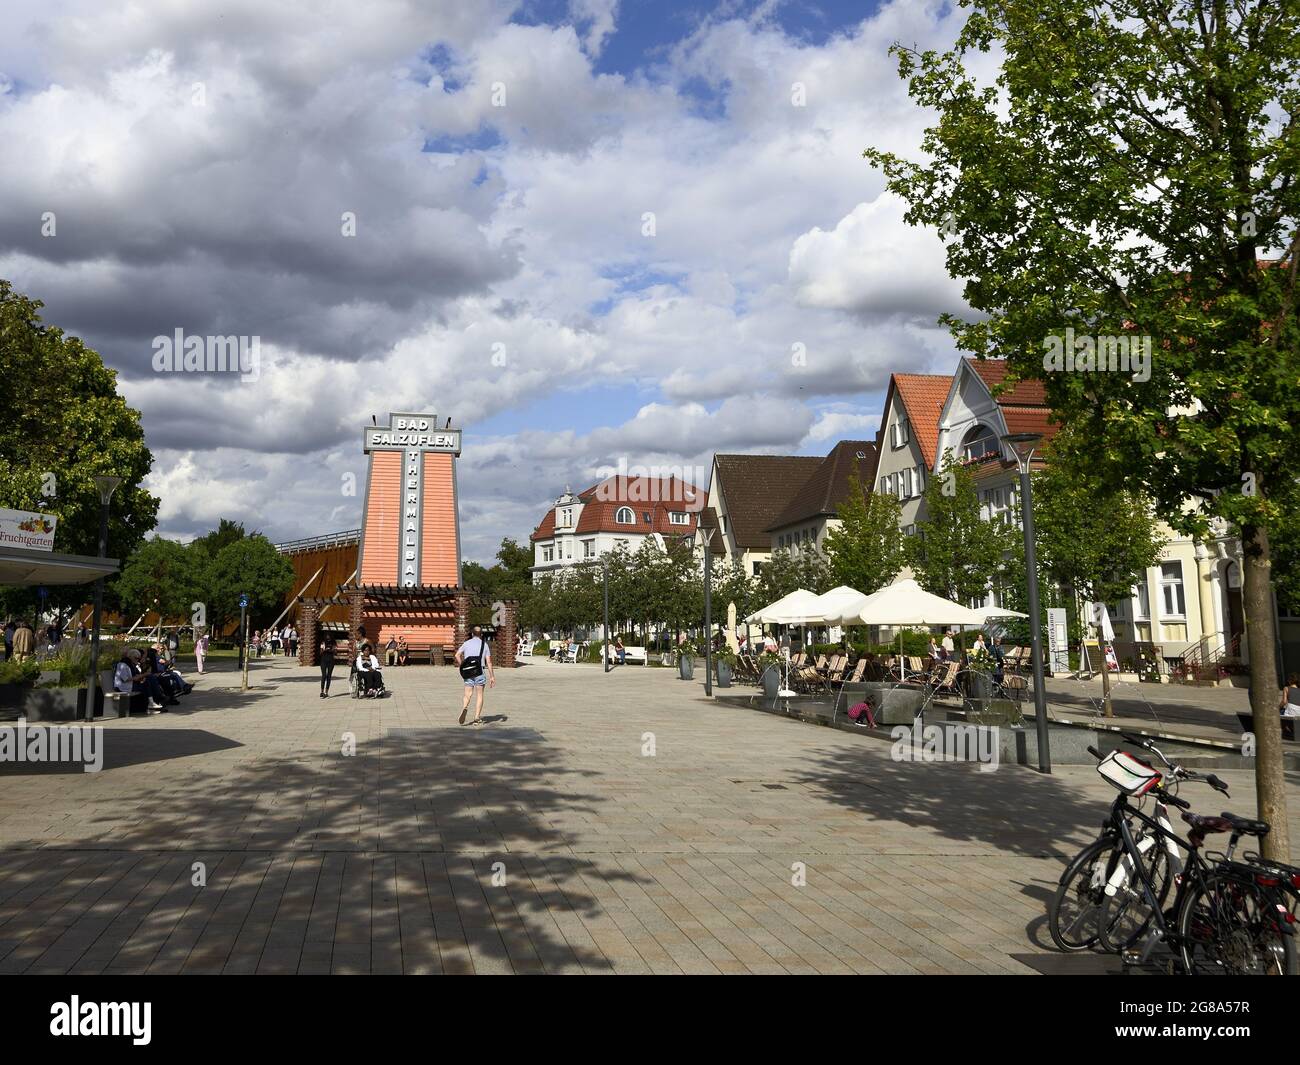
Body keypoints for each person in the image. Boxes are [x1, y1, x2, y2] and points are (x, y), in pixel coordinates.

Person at [455, 623, 495, 725]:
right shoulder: (484, 645)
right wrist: (492, 677)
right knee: (480, 695)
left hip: (468, 671)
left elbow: (457, 655)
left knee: (467, 693)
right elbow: (489, 662)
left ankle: (465, 707)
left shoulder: (466, 643)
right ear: (481, 634)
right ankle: (477, 717)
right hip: (479, 671)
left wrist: (462, 665)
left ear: (472, 634)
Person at [319, 632, 337, 697]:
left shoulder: (334, 643)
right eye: (327, 636)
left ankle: (326, 692)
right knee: (324, 675)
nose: (328, 638)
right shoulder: (323, 642)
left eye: (329, 636)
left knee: (329, 676)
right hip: (323, 660)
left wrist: (331, 650)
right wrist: (325, 650)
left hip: (331, 660)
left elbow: (335, 652)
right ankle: (321, 692)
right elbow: (320, 653)